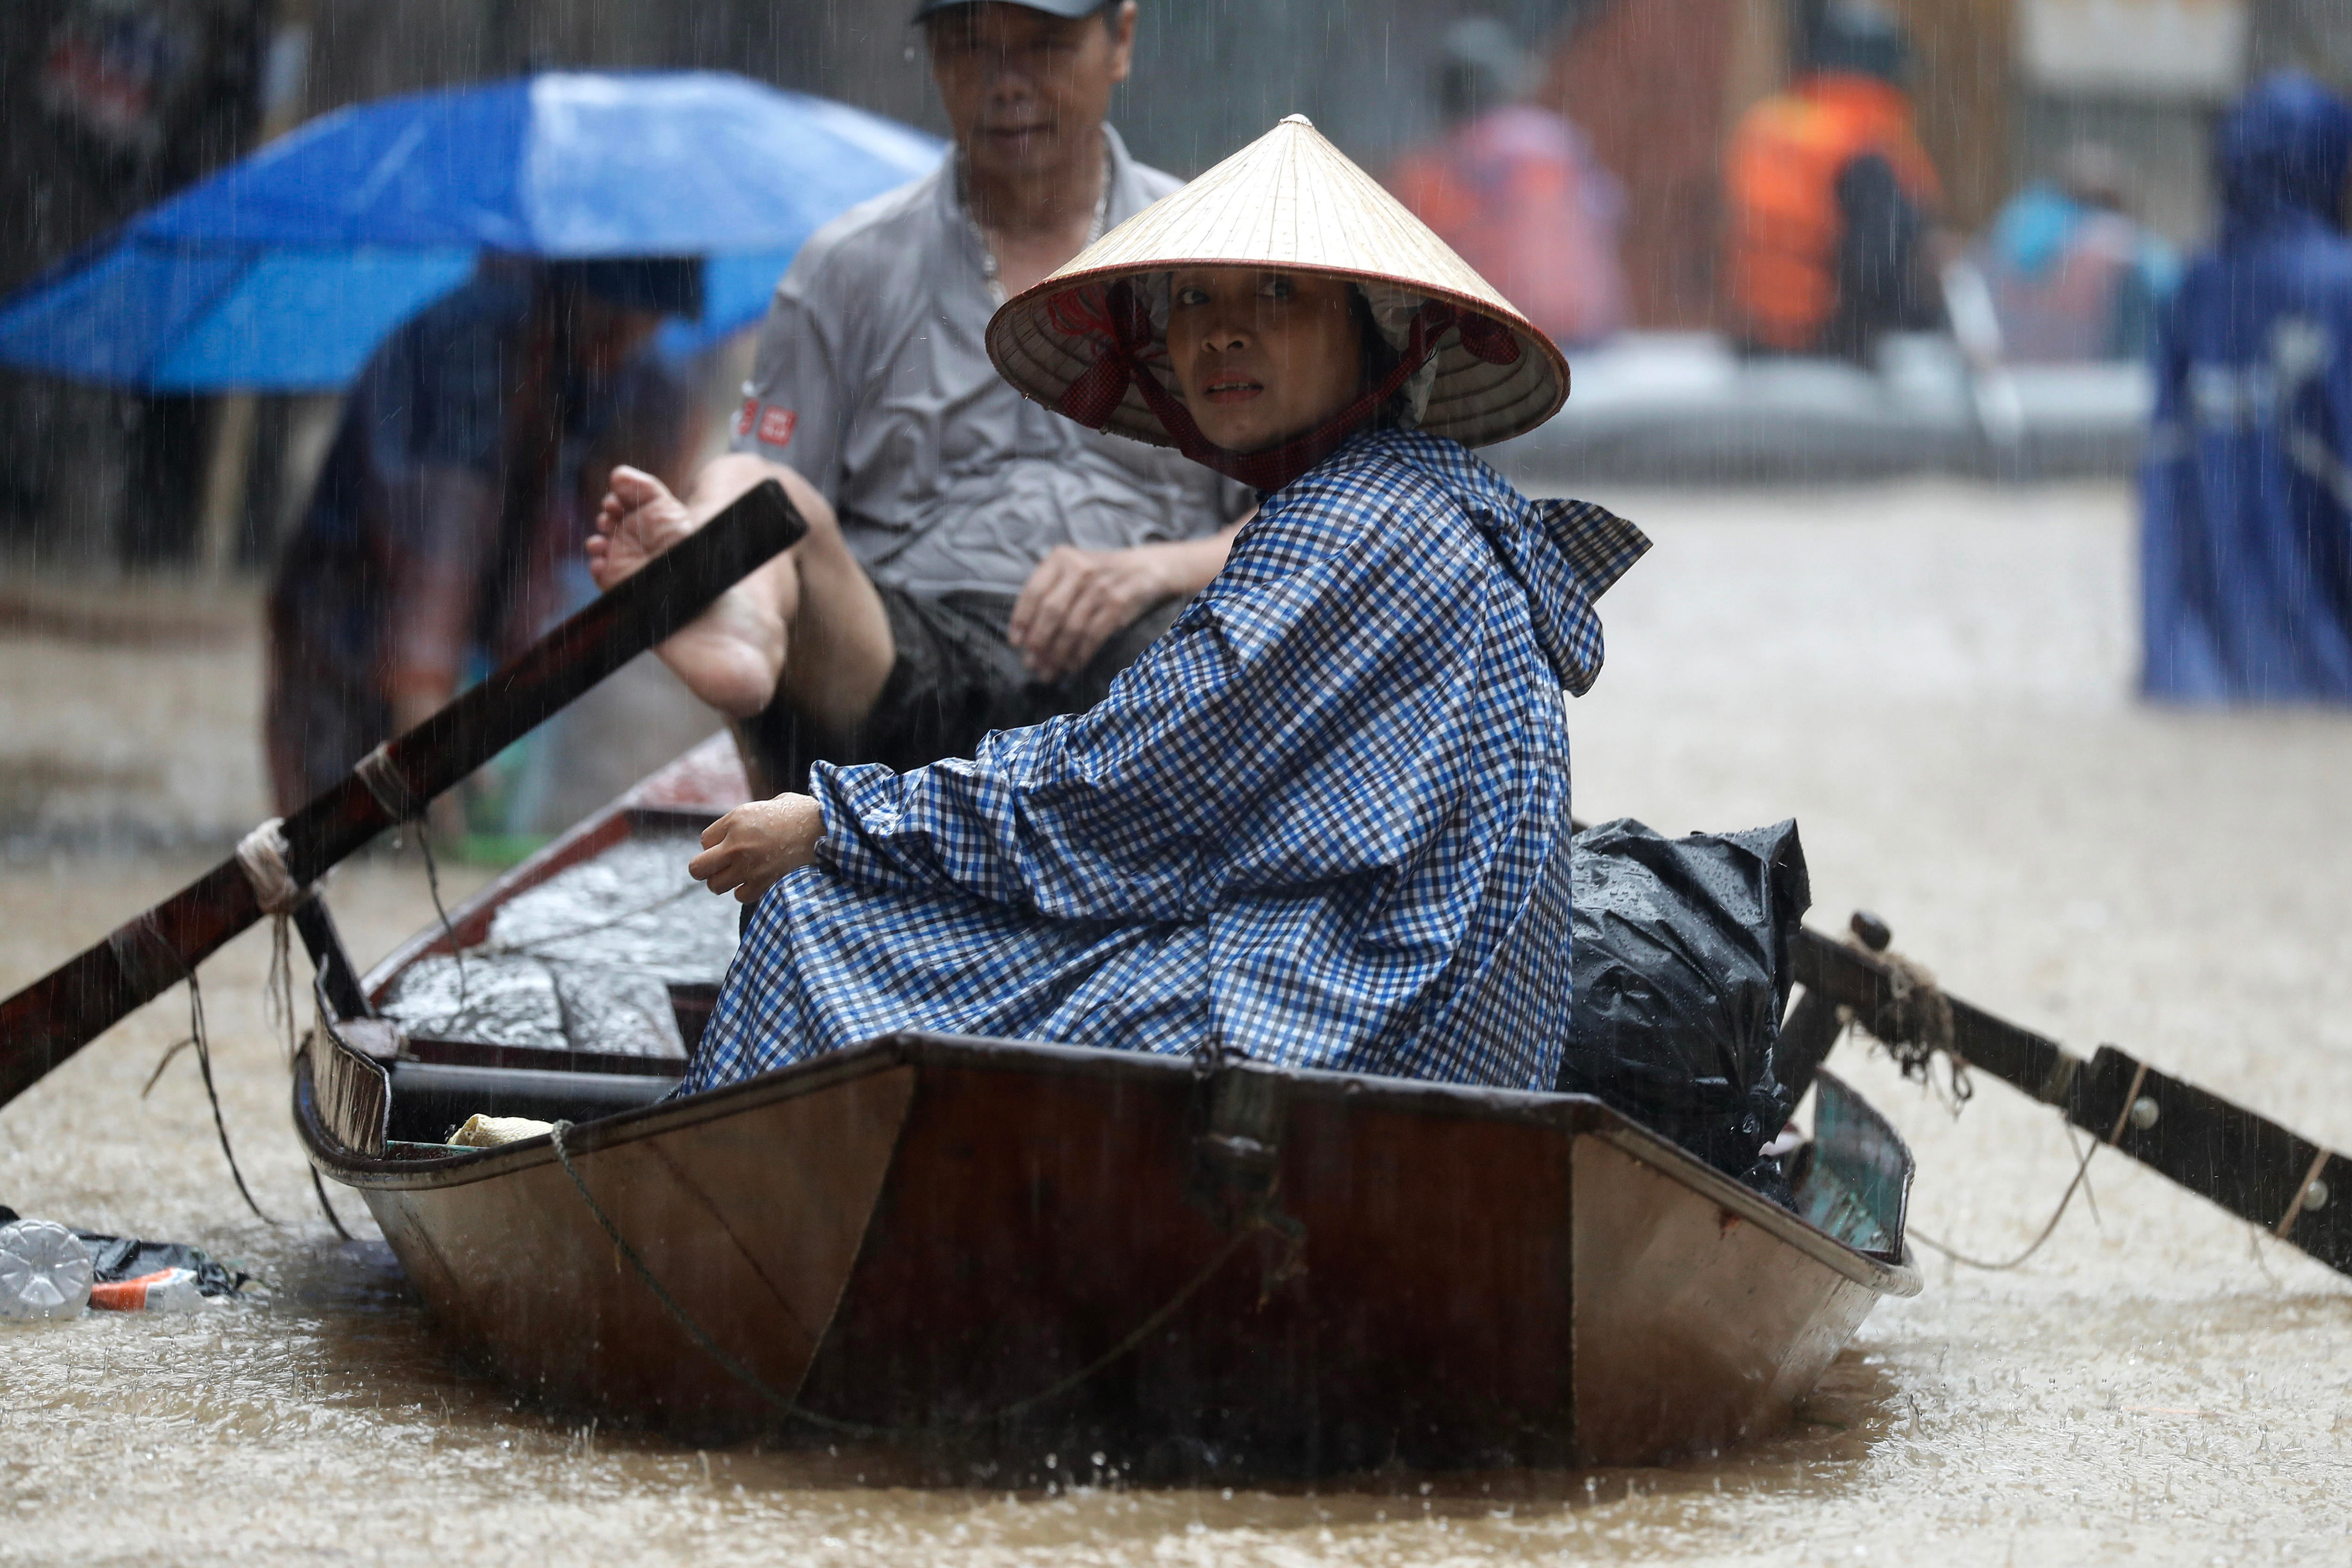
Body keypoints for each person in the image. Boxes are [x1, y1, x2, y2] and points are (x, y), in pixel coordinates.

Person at [675, 115, 1649, 1095]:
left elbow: (1113, 797)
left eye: (1277, 292)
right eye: (1191, 297)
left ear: (1377, 330)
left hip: (1351, 1025)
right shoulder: (1410, 494)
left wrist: (837, 822)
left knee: (819, 915)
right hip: (1389, 1006)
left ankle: (728, 1235)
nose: (1223, 329)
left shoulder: (1355, 521)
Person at [587, 0, 1253, 800]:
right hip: (897, 673)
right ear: (935, 60)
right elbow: (776, 500)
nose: (1006, 85)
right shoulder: (849, 267)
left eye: (1044, 47)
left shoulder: (1217, 263)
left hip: (1144, 683)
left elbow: (1315, 516)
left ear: (1121, 41)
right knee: (750, 489)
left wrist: (1157, 568)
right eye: (972, 50)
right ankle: (740, 622)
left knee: (1259, 610)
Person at [267, 256, 703, 816]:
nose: (621, 348)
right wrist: (430, 768)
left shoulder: (622, 373)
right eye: (615, 326)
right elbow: (432, 574)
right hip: (348, 620)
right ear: (582, 297)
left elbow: (593, 543)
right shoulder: (472, 350)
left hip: (473, 633)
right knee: (343, 823)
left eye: (645, 330)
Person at [2142, 73, 2352, 704]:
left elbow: (2166, 473)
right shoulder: (2338, 286)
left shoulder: (2197, 286)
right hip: (2325, 662)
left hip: (2202, 665)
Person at [1722, 0, 1943, 361]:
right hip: (1829, 350)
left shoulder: (1766, 125)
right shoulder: (1863, 145)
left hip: (1755, 342)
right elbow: (1877, 266)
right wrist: (1919, 320)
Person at [1386, 18, 1628, 348]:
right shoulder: (1559, 146)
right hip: (1588, 326)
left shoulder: (1437, 170)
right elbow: (1611, 211)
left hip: (1503, 336)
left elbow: (1411, 257)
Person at [1975, 143, 2179, 364]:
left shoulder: (2116, 236)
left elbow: (2165, 278)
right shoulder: (2045, 216)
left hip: (2082, 354)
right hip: (2065, 354)